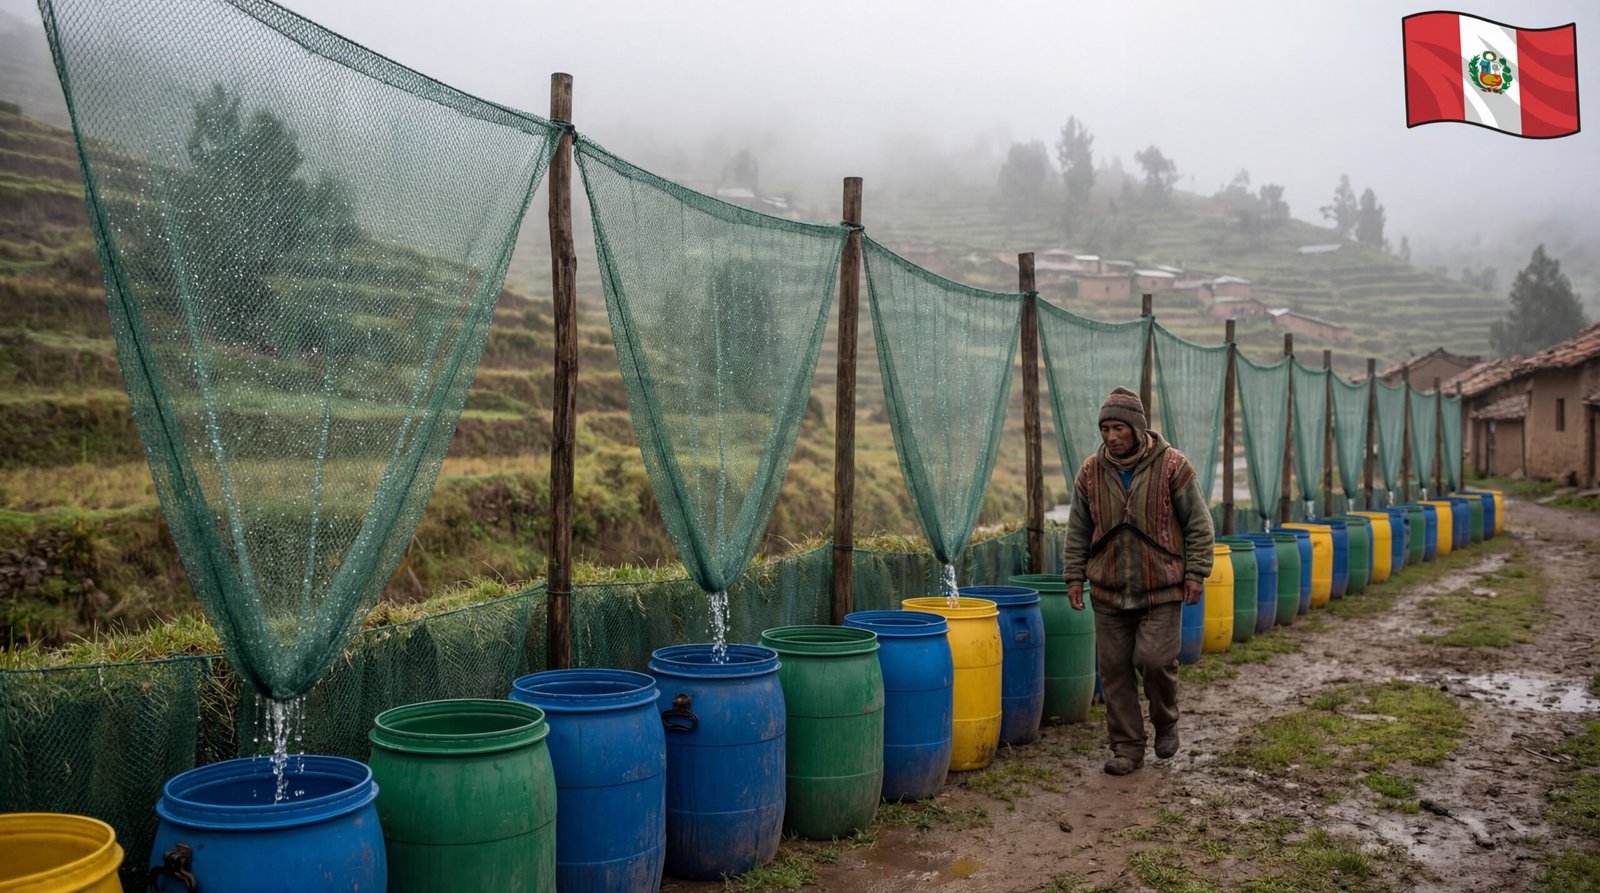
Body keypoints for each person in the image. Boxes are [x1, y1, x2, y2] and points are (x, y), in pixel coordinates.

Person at [1062, 386, 1214, 775]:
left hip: (1160, 588)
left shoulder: (1173, 466)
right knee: (1113, 670)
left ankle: (1166, 720)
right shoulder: (1090, 472)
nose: (1111, 437)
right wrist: (1074, 577)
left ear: (1137, 428)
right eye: (1105, 428)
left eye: (1119, 428)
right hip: (1109, 591)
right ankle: (1128, 747)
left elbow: (1198, 524)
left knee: (1155, 660)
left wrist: (1196, 572)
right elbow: (1078, 530)